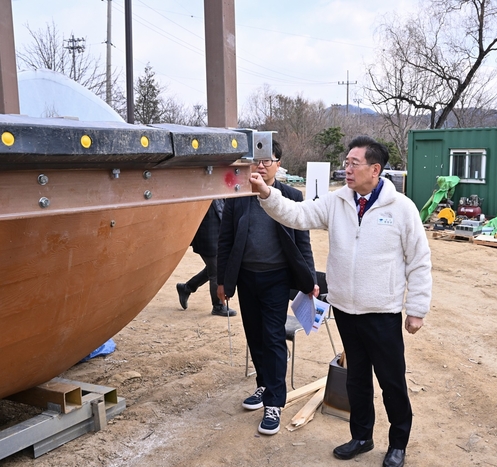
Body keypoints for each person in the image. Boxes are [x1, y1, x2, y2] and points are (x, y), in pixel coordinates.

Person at [249, 135, 432, 467]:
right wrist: (267, 194)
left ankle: (397, 443)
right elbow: (297, 214)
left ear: (375, 170)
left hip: (383, 313)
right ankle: (361, 436)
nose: (346, 169)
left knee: (392, 380)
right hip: (346, 309)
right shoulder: (337, 202)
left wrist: (416, 309)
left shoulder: (401, 208)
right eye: (345, 163)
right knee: (357, 378)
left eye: (353, 163)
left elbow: (419, 260)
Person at [216, 140, 318, 436]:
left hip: (276, 279)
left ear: (278, 164)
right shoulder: (239, 196)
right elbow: (225, 241)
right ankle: (264, 384)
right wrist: (222, 280)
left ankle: (275, 401)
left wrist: (309, 278)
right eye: (256, 161)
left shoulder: (291, 195)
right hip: (246, 277)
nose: (261, 166)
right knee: (255, 335)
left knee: (273, 337)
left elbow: (302, 242)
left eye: (267, 161)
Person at [176, 199, 236, 317]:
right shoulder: (202, 192)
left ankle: (187, 288)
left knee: (213, 268)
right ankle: (218, 306)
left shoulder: (218, 190)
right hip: (207, 236)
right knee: (216, 271)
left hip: (218, 235)